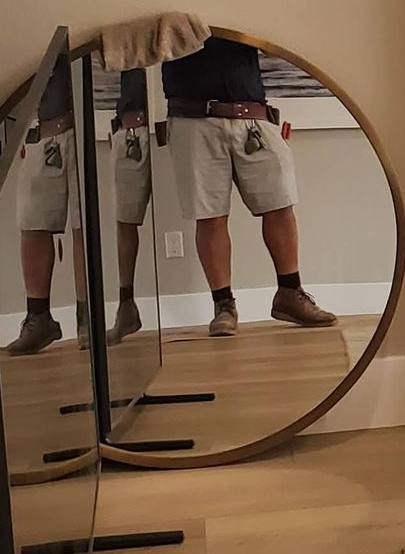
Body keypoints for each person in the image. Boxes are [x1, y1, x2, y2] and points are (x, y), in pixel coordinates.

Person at [161, 34, 336, 337]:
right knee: (210, 215)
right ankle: (224, 306)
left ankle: (290, 293)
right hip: (192, 115)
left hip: (253, 114)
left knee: (280, 203)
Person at [8, 55, 86, 355]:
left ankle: (85, 318)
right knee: (32, 223)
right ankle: (38, 318)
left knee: (82, 226)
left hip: (77, 126)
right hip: (38, 132)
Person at [107, 67, 151, 345]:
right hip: (131, 126)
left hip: (183, 117)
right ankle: (126, 305)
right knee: (125, 217)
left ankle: (220, 305)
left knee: (206, 212)